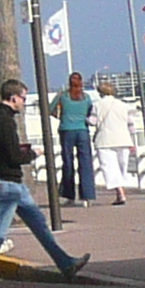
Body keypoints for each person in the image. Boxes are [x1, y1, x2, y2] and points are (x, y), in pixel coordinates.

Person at [0, 78, 91, 283]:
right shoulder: (4, 120)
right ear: (13, 97)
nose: (24, 103)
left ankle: (66, 263)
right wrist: (33, 154)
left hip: (13, 183)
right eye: (23, 98)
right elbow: (12, 156)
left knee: (39, 225)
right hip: (9, 183)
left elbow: (5, 150)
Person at [91, 77, 137, 204]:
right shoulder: (123, 105)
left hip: (105, 140)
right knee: (122, 166)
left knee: (110, 168)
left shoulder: (97, 105)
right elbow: (131, 125)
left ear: (100, 92)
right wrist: (133, 142)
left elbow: (92, 121)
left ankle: (120, 193)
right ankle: (120, 192)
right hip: (123, 139)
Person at [56, 74, 99, 205]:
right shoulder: (86, 98)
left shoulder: (63, 96)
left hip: (66, 130)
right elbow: (90, 112)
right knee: (85, 163)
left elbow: (50, 109)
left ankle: (69, 195)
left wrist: (62, 117)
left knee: (68, 162)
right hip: (82, 130)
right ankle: (87, 196)